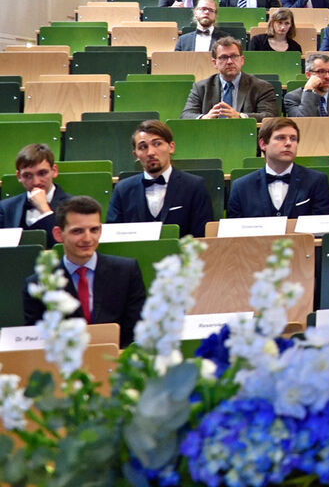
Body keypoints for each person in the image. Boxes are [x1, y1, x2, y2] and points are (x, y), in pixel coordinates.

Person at [21, 196, 146, 347]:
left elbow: (136, 330)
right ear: (58, 234)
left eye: (94, 230)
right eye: (77, 231)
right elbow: (38, 340)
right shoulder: (39, 283)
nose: (88, 238)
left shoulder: (126, 271)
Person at [107, 121, 214, 238]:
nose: (151, 152)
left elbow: (202, 237)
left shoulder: (195, 186)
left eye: (157, 144)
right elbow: (113, 237)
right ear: (135, 154)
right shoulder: (122, 190)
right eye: (143, 147)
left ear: (171, 147)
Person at [226, 118, 329, 218]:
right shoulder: (241, 186)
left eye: (293, 139)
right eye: (281, 138)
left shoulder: (317, 181)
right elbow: (234, 234)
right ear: (263, 144)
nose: (288, 143)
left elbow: (323, 228)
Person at [180, 38, 278, 121]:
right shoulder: (201, 87)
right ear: (214, 63)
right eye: (223, 57)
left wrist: (240, 116)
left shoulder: (261, 87)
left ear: (242, 60)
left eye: (234, 56)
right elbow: (186, 115)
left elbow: (270, 116)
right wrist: (205, 118)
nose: (230, 62)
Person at [0, 144, 71, 234]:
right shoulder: (5, 208)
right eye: (27, 176)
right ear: (19, 176)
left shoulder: (74, 206)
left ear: (54, 171)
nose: (36, 182)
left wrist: (44, 209)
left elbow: (66, 243)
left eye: (42, 173)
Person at [283, 53, 329, 117]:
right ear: (308, 75)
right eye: (321, 71)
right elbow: (303, 122)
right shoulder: (293, 98)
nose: (327, 76)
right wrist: (309, 89)